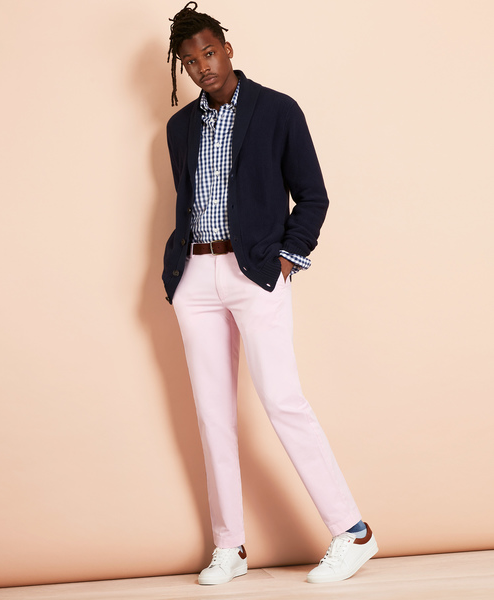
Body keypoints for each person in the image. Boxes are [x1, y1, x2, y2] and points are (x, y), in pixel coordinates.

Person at [162, 1, 378, 586]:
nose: (202, 67)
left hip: (255, 271)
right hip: (195, 277)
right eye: (191, 61)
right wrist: (177, 274)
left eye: (209, 53)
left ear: (227, 49)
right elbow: (185, 201)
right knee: (212, 416)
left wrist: (286, 258)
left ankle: (353, 531)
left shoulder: (277, 110)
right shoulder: (179, 129)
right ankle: (229, 546)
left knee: (282, 400)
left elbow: (313, 195)